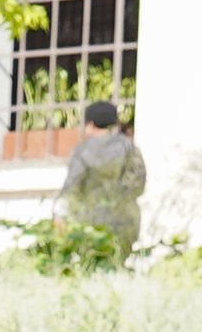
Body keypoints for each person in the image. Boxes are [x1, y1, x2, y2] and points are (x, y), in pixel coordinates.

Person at [57, 98, 148, 268]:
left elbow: (72, 187)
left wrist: (60, 214)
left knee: (91, 266)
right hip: (125, 220)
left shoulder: (82, 150)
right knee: (118, 265)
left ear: (90, 124)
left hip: (90, 221)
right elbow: (139, 183)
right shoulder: (130, 147)